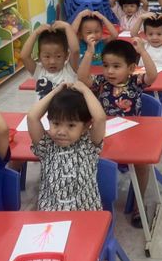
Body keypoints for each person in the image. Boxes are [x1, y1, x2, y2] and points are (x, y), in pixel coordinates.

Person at [78, 38, 157, 226]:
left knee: (142, 165)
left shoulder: (135, 82)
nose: (110, 71)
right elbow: (82, 78)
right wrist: (89, 53)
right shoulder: (101, 82)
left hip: (133, 135)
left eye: (116, 66)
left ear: (130, 68)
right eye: (106, 65)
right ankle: (91, 200)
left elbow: (152, 76)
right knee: (86, 158)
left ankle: (138, 204)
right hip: (106, 136)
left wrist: (143, 52)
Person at [28, 81, 106, 211]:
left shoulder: (89, 145)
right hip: (51, 214)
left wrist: (85, 90)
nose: (61, 132)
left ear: (85, 126)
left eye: (71, 125)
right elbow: (32, 117)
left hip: (86, 213)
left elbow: (100, 118)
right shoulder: (46, 146)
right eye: (56, 123)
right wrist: (55, 91)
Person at [20, 21, 79, 99]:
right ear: (39, 57)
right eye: (47, 56)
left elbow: (75, 51)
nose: (52, 62)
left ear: (66, 55)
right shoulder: (39, 71)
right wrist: (35, 33)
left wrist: (67, 27)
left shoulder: (69, 69)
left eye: (58, 56)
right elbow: (24, 56)